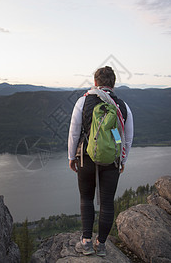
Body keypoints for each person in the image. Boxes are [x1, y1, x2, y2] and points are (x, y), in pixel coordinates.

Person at [67, 66, 134, 257]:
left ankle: (86, 242)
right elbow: (127, 138)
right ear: (113, 83)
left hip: (85, 157)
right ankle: (102, 245)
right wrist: (122, 160)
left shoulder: (83, 101)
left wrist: (72, 157)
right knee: (107, 202)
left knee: (86, 198)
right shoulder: (122, 106)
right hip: (111, 160)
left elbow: (73, 132)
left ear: (95, 82)